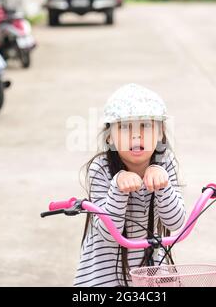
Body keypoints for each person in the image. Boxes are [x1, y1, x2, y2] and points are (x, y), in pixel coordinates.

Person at [73, 83, 185, 287]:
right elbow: (108, 233)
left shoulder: (165, 163)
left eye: (146, 126)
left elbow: (176, 222)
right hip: (103, 276)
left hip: (147, 272)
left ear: (160, 134)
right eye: (125, 127)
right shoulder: (101, 168)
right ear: (109, 137)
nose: (136, 135)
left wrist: (163, 184)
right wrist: (118, 186)